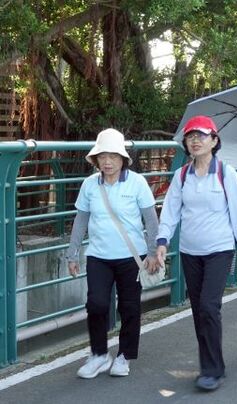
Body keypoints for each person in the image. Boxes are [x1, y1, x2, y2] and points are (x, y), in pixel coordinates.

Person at [156, 115, 237, 392]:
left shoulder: (225, 173)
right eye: (190, 136)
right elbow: (171, 211)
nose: (195, 140)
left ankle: (213, 369)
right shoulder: (182, 175)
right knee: (199, 310)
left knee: (210, 307)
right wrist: (162, 241)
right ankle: (209, 364)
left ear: (214, 140)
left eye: (201, 135)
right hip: (190, 251)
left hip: (219, 250)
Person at [66, 128, 160, 379]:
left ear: (123, 158)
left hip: (132, 257)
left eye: (113, 156)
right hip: (99, 256)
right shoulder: (89, 185)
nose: (107, 162)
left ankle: (124, 355)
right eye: (102, 156)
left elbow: (151, 221)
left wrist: (153, 252)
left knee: (129, 307)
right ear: (96, 159)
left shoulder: (137, 183)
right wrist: (72, 254)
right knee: (96, 304)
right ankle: (99, 354)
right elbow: (80, 220)